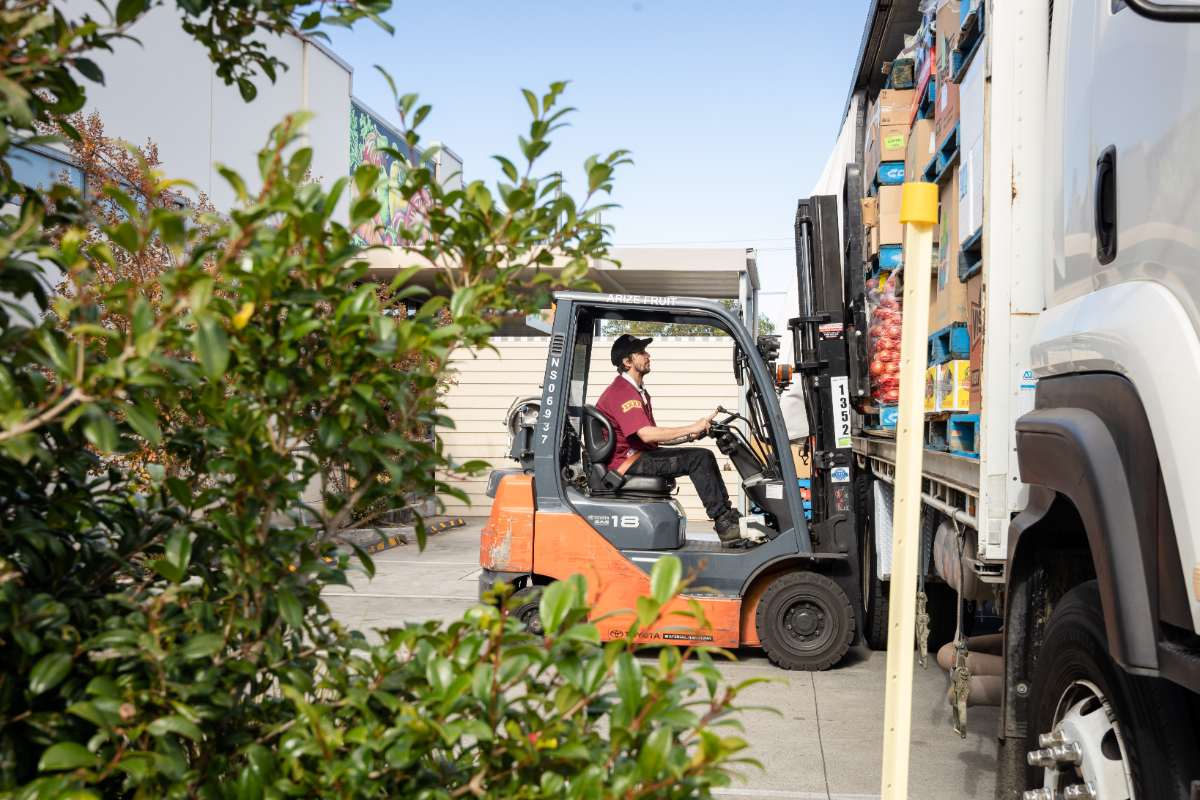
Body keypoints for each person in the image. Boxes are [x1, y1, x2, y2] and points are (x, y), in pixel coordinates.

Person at [595, 334, 743, 546]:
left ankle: (727, 517)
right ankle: (725, 524)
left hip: (639, 455)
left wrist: (689, 435)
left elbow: (650, 439)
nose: (648, 355)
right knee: (700, 458)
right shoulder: (622, 392)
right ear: (627, 362)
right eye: (642, 352)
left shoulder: (637, 391)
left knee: (702, 455)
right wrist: (692, 426)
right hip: (629, 462)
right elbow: (647, 434)